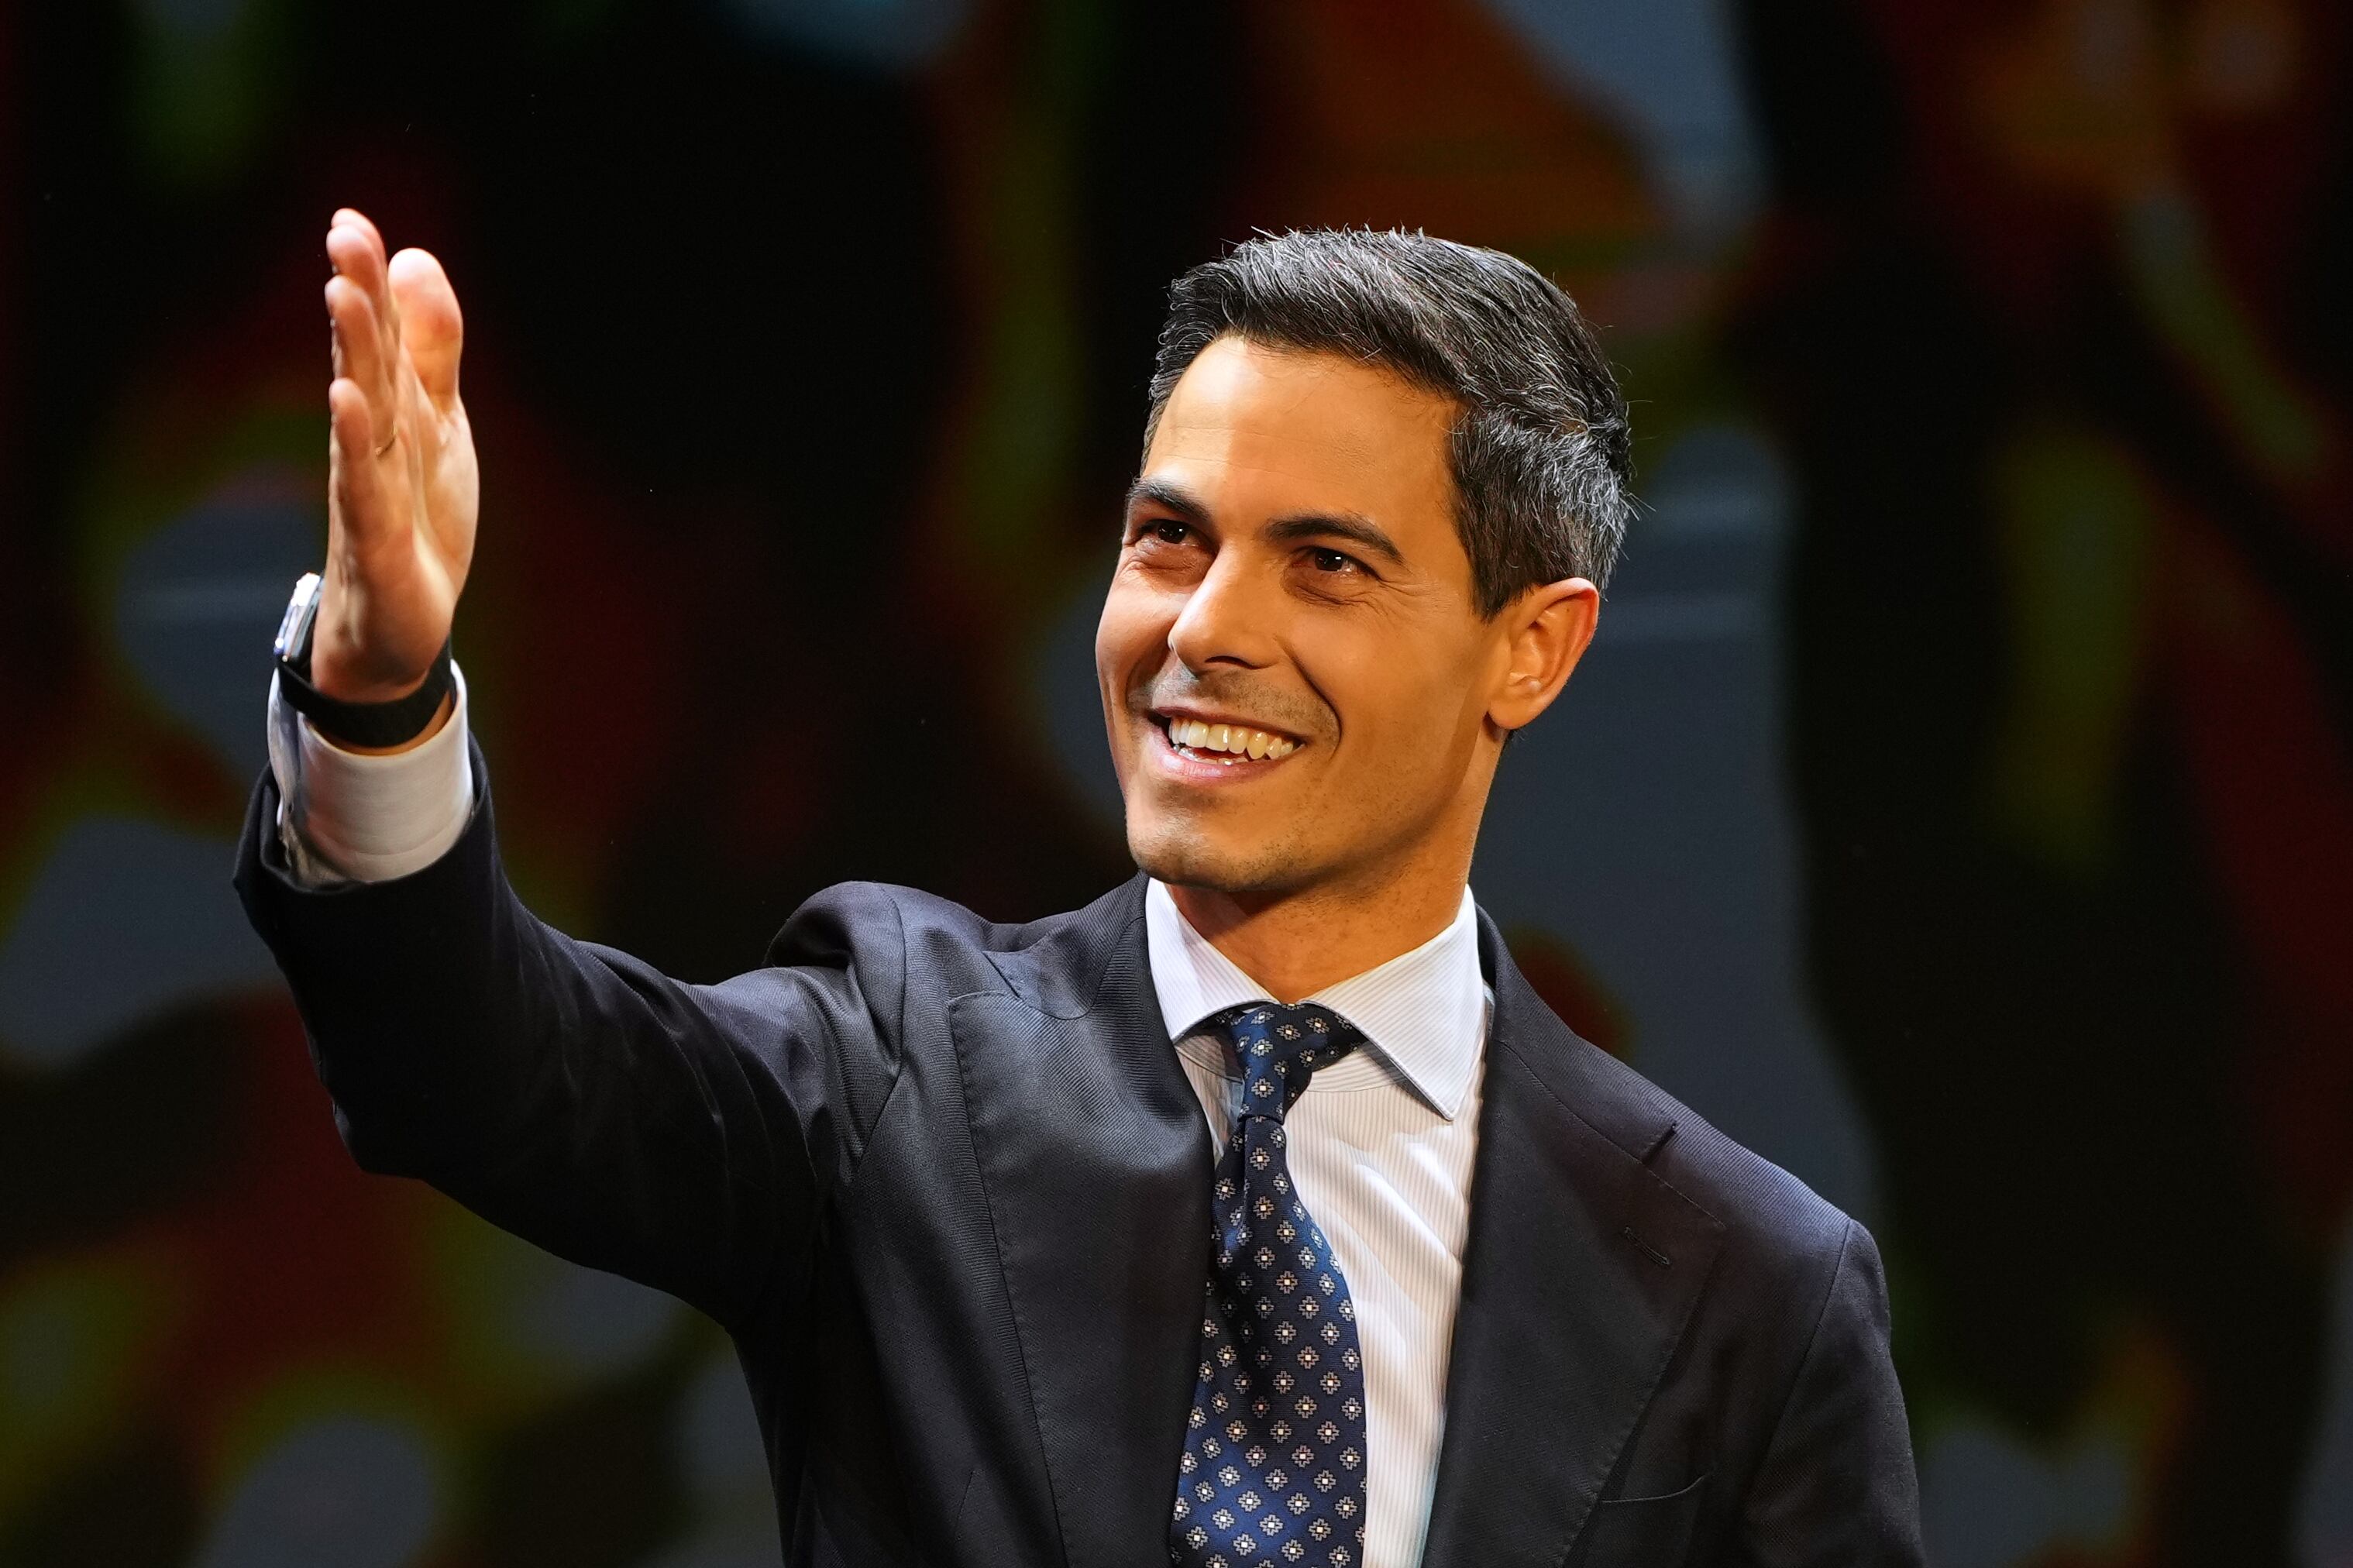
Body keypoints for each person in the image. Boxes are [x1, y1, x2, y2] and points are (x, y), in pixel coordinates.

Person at [235, 208, 1925, 1567]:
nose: (1201, 631)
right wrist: (378, 700)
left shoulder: (1743, 1285)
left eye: (1323, 564)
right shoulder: (899, 1060)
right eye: (1169, 539)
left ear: (1532, 650)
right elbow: (479, 1068)